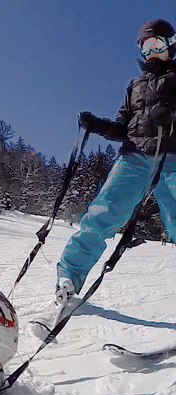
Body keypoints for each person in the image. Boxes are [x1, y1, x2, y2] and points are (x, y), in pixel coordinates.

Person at [32, 19, 176, 339]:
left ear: (171, 45)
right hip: (134, 158)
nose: (151, 51)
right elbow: (122, 127)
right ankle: (68, 283)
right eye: (146, 46)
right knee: (101, 216)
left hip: (172, 158)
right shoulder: (135, 86)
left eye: (158, 44)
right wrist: (96, 125)